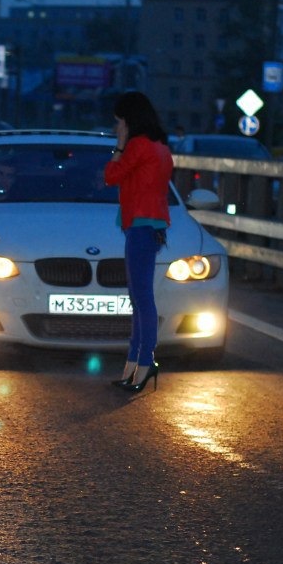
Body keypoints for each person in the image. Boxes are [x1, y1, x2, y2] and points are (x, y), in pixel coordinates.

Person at [105, 90, 174, 394]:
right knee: (139, 296)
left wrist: (120, 144)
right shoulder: (161, 148)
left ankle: (144, 361)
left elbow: (111, 176)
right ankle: (135, 363)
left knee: (141, 297)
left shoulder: (138, 147)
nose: (117, 127)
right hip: (152, 225)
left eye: (119, 122)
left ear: (129, 120)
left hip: (140, 226)